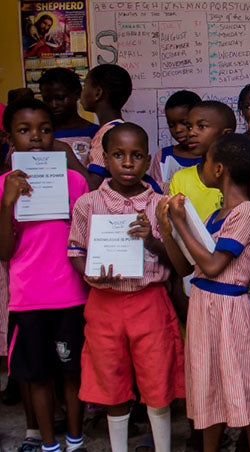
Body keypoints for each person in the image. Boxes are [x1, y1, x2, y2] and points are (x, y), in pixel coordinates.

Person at [67, 123, 184, 452]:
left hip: (149, 301)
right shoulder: (88, 204)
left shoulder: (162, 204)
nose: (128, 163)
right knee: (110, 379)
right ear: (106, 159)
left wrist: (151, 239)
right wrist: (92, 273)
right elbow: (75, 251)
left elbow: (176, 261)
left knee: (157, 378)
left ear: (148, 162)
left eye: (136, 156)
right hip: (104, 302)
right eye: (118, 155)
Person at [157, 133, 250, 452]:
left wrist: (181, 220)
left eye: (205, 161)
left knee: (243, 393)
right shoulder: (216, 214)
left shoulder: (246, 213)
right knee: (208, 391)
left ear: (219, 170)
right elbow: (186, 268)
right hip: (204, 306)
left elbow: (215, 264)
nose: (201, 166)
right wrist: (168, 229)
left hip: (230, 310)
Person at [0, 99, 90, 452]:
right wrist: (7, 203)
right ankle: (48, 444)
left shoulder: (74, 182)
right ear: (10, 138)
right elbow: (4, 252)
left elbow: (85, 235)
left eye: (45, 129)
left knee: (71, 371)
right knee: (36, 374)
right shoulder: (4, 185)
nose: (36, 137)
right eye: (24, 130)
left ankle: (75, 438)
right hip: (29, 297)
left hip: (72, 293)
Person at [168, 101, 235, 222]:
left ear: (226, 134)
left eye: (202, 126)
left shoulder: (237, 176)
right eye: (189, 127)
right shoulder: (180, 179)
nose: (191, 133)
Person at [81, 64, 134, 190]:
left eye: (84, 87)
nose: (81, 93)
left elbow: (92, 185)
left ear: (98, 93)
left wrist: (65, 150)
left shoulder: (108, 134)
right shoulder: (118, 129)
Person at [38, 68, 100, 166]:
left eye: (60, 98)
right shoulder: (38, 135)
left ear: (77, 94)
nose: (53, 105)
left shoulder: (95, 133)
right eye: (47, 99)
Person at [149, 90, 203, 185]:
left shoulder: (213, 156)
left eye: (184, 123)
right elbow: (155, 192)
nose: (177, 130)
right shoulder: (163, 157)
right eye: (171, 125)